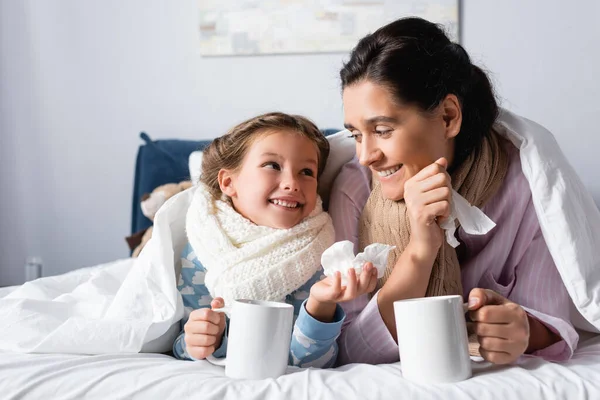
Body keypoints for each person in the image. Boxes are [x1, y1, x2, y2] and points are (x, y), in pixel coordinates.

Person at [325, 17, 579, 365]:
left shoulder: (524, 183)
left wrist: (521, 330)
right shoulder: (354, 188)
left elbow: (554, 319)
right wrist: (420, 248)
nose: (365, 155)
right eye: (355, 134)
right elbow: (350, 349)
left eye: (382, 130)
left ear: (447, 116)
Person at [172, 112, 378, 368]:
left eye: (306, 171)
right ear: (228, 182)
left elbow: (313, 363)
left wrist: (319, 305)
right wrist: (200, 340)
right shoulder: (203, 248)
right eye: (272, 165)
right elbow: (182, 348)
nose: (292, 183)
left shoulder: (321, 251)